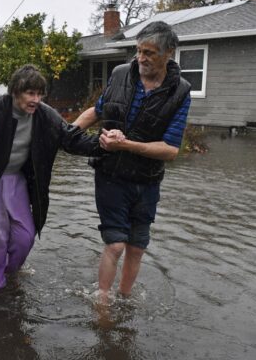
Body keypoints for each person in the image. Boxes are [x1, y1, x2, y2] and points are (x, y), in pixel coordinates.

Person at [72, 21, 192, 303]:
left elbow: (170, 150)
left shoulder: (181, 92)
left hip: (147, 182)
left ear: (169, 53)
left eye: (149, 53)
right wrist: (67, 133)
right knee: (115, 245)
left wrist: (125, 144)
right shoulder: (120, 74)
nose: (141, 59)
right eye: (139, 51)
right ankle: (102, 302)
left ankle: (124, 299)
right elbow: (98, 111)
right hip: (110, 175)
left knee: (136, 248)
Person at [0, 64, 102, 291]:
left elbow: (70, 139)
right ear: (15, 92)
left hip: (18, 180)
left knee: (25, 236)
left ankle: (10, 274)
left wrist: (103, 144)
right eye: (30, 93)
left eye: (39, 94)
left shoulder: (46, 115)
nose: (36, 99)